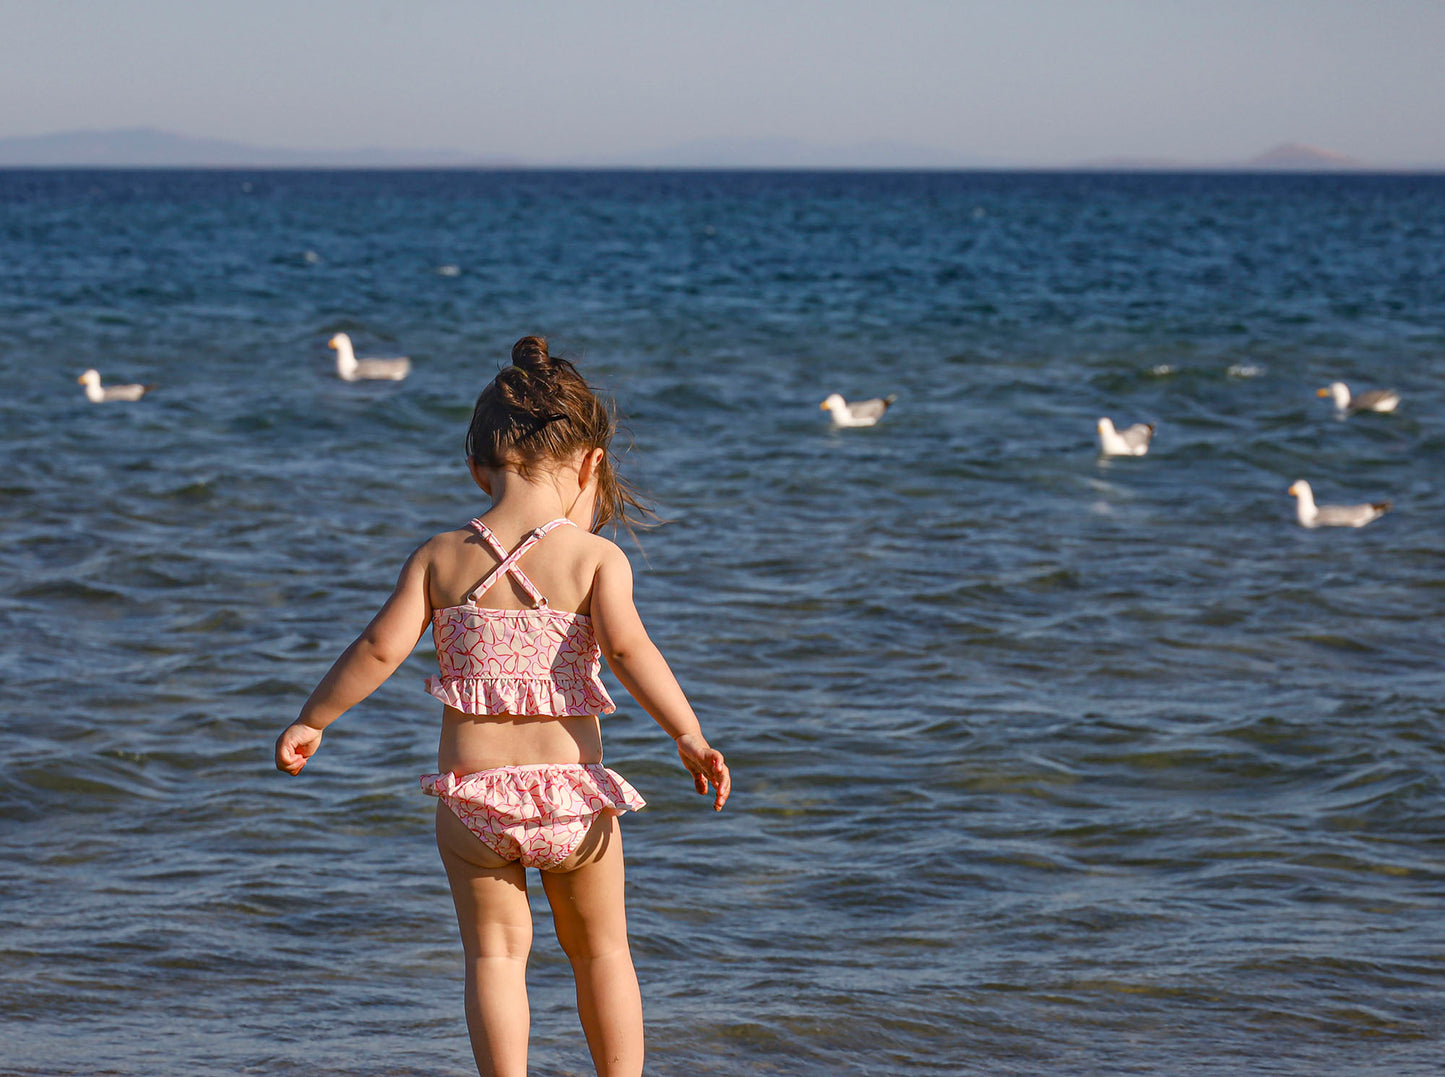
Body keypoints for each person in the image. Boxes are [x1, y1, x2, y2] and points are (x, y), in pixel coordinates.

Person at [274, 336, 730, 1077]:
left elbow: (379, 650)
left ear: (477, 465)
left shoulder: (439, 555)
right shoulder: (593, 559)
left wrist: (312, 719)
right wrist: (687, 733)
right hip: (571, 798)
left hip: (474, 799)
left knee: (494, 953)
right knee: (602, 949)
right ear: (589, 463)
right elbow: (630, 652)